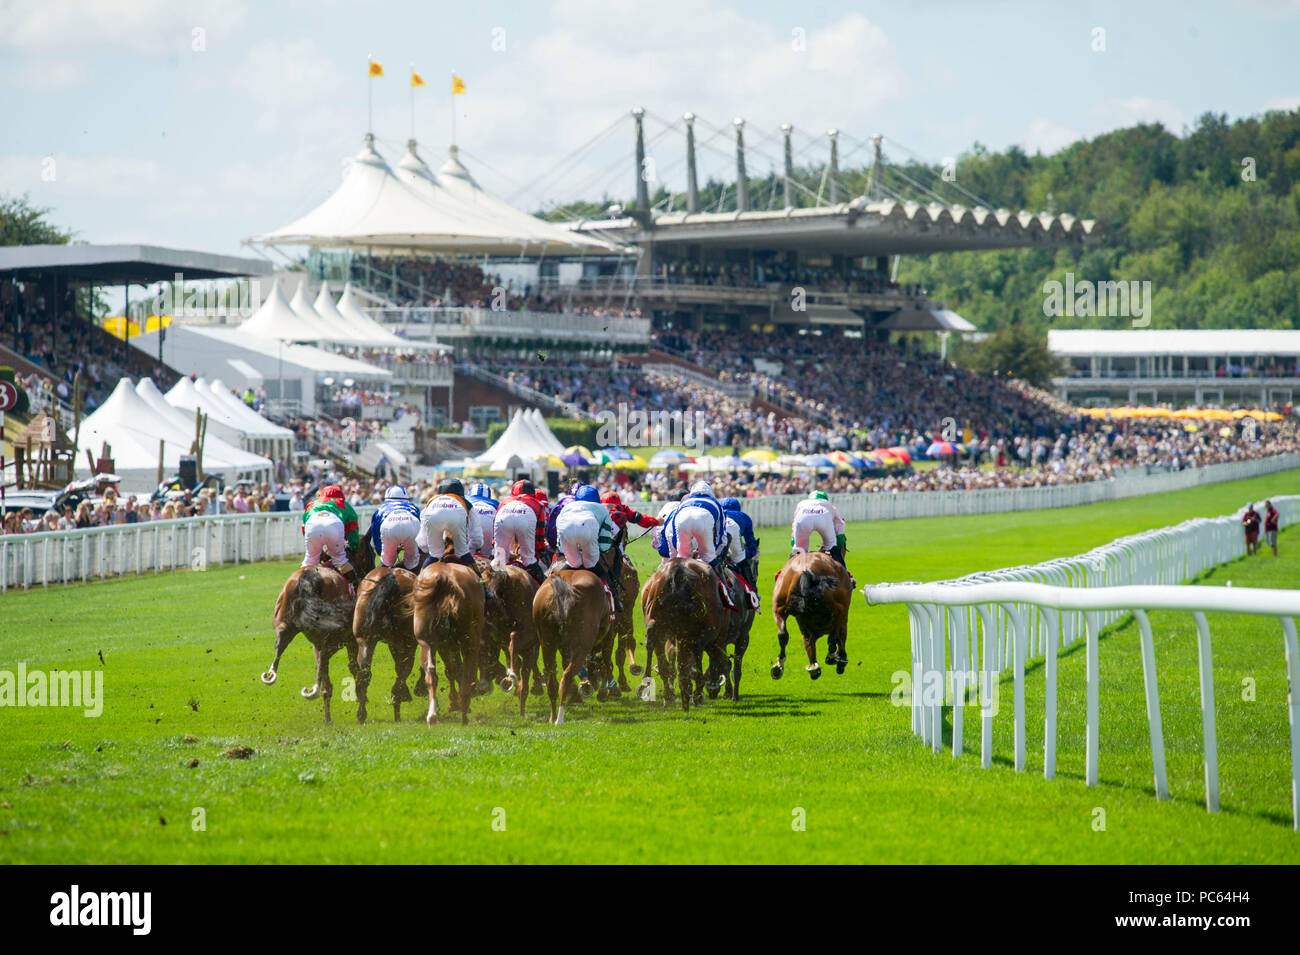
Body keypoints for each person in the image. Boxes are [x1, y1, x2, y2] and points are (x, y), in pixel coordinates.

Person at [666, 481, 737, 610]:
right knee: (709, 557)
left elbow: (672, 530)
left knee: (682, 559)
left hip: (681, 519)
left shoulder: (683, 503)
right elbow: (721, 535)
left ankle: (667, 590)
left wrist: (677, 552)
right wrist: (715, 552)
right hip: (703, 519)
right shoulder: (716, 504)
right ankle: (727, 592)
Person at [556, 484, 622, 610]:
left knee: (573, 563)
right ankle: (615, 599)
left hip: (566, 531)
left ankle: (546, 584)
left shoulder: (567, 507)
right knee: (591, 564)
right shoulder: (602, 509)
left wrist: (562, 549)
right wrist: (600, 550)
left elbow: (559, 537)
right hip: (587, 529)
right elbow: (604, 542)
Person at [301, 484, 362, 588]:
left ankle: (299, 589)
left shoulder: (312, 504)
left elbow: (304, 529)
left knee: (309, 561)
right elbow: (352, 530)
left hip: (312, 525)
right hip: (333, 524)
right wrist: (353, 546)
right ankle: (356, 588)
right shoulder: (344, 504)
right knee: (340, 561)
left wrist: (316, 548)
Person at [493, 478, 547, 585]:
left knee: (499, 560)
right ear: (533, 492)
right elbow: (539, 534)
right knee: (529, 561)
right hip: (525, 518)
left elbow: (495, 527)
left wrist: (494, 545)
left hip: (504, 516)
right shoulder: (538, 504)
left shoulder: (504, 501)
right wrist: (537, 552)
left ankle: (486, 591)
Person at [417, 478, 477, 568]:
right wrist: (474, 544)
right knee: (463, 552)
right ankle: (480, 579)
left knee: (434, 554)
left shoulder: (432, 500)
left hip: (432, 515)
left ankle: (420, 578)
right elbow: (476, 532)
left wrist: (425, 548)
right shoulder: (465, 502)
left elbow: (422, 537)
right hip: (457, 519)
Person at [368, 485, 422, 570]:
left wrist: (381, 551)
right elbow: (420, 531)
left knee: (387, 562)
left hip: (389, 527)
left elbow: (375, 534)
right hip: (411, 525)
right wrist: (419, 551)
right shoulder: (414, 507)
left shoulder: (380, 509)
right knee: (413, 564)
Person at [791, 489, 847, 569]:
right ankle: (844, 574)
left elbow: (795, 523)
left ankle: (782, 574)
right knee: (832, 546)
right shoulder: (828, 504)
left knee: (798, 549)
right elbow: (839, 526)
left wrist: (795, 542)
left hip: (803, 516)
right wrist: (838, 542)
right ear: (824, 499)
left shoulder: (802, 503)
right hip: (823, 516)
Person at [720, 496, 759, 585]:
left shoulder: (716, 514)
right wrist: (747, 554)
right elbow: (752, 547)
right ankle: (752, 588)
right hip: (733, 532)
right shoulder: (745, 517)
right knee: (740, 558)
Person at [466, 482, 499, 559]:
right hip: (488, 529)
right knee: (486, 553)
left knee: (467, 552)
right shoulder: (495, 503)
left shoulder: (466, 501)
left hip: (471, 529)